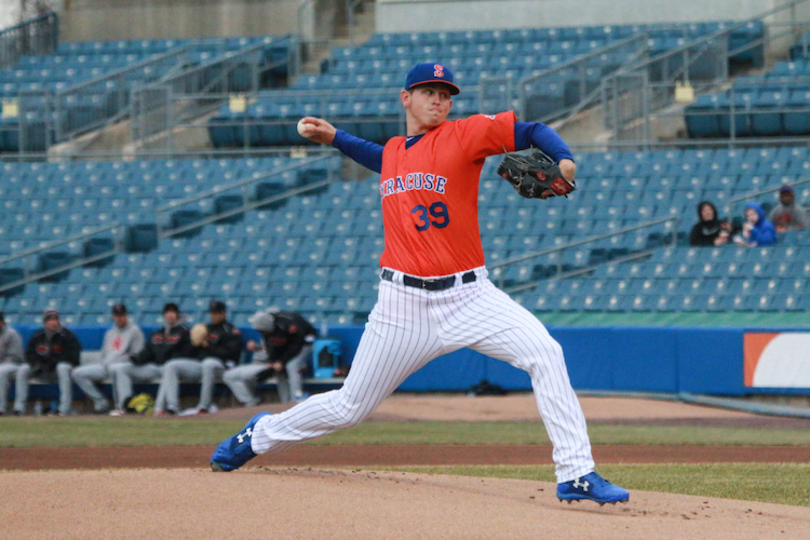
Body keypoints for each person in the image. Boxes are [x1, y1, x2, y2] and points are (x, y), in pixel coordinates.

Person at [210, 62, 629, 505]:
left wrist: (564, 158)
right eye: (429, 91)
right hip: (401, 305)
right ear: (405, 97)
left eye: (445, 94)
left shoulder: (464, 135)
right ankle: (261, 434)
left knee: (546, 353)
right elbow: (381, 157)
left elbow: (532, 129)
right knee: (350, 407)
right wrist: (336, 138)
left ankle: (576, 473)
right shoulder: (394, 151)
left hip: (470, 296)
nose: (439, 100)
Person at [109, 302, 194, 416]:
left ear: (177, 315)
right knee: (122, 369)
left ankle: (162, 409)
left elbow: (185, 352)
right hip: (155, 366)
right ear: (164, 315)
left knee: (169, 368)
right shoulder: (158, 333)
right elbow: (148, 350)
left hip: (171, 367)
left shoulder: (184, 331)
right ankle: (126, 406)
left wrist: (165, 356)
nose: (170, 315)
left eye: (173, 312)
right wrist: (137, 359)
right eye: (167, 312)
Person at [223, 308, 317, 406]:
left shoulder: (288, 323)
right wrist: (275, 362)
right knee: (279, 370)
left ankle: (296, 398)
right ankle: (285, 402)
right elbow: (272, 347)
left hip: (305, 342)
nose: (262, 333)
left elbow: (296, 345)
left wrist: (282, 361)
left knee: (291, 366)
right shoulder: (268, 332)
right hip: (290, 346)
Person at [71, 304, 145, 414]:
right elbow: (105, 354)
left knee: (118, 369)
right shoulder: (110, 332)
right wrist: (106, 364)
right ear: (113, 316)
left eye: (122, 315)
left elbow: (137, 354)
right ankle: (101, 402)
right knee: (77, 373)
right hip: (106, 366)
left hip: (125, 366)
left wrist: (121, 361)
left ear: (126, 315)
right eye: (117, 315)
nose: (119, 318)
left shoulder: (134, 331)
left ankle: (123, 407)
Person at [19, 309, 82, 416]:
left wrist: (53, 361)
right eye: (50, 320)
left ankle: (64, 408)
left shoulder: (67, 335)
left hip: (60, 370)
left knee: (62, 367)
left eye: (55, 319)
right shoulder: (38, 336)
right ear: (45, 322)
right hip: (41, 369)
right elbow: (29, 354)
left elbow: (74, 356)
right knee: (23, 369)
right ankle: (19, 408)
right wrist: (37, 364)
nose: (53, 322)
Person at [194, 300, 243, 413]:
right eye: (212, 313)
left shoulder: (230, 330)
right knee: (172, 365)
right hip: (203, 364)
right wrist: (195, 344)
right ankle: (166, 408)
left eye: (216, 313)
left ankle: (204, 406)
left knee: (208, 363)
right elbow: (197, 353)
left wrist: (208, 347)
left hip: (224, 366)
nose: (213, 316)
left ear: (223, 313)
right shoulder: (206, 328)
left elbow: (230, 353)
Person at [0, 312, 25, 416]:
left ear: (2, 323)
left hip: (14, 365)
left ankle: (1, 407)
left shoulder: (11, 334)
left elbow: (16, 357)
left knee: (0, 371)